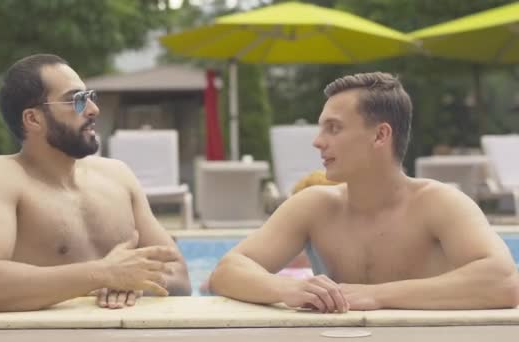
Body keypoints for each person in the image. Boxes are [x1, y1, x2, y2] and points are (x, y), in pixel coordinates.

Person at [210, 72, 519, 313]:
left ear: (380, 135)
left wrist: (377, 295)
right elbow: (226, 271)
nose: (318, 141)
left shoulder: (439, 204)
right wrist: (285, 289)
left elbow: (504, 281)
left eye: (333, 128)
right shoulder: (314, 206)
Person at [0, 54, 191, 313]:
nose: (93, 109)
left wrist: (133, 282)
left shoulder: (118, 175)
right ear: (33, 119)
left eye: (90, 97)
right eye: (75, 100)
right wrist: (102, 274)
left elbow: (178, 275)